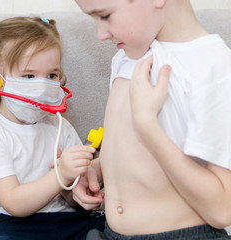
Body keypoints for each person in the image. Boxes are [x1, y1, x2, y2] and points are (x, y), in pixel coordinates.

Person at [72, 0, 231, 239]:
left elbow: (221, 210)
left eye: (104, 15)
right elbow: (134, 154)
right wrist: (97, 169)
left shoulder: (210, 66)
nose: (100, 34)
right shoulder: (125, 57)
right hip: (110, 232)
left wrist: (147, 125)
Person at [0, 16, 105, 240]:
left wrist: (76, 184)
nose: (42, 85)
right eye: (28, 76)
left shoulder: (59, 126)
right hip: (5, 223)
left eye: (51, 75)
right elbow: (15, 203)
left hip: (61, 219)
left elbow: (68, 197)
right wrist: (61, 174)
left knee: (111, 226)